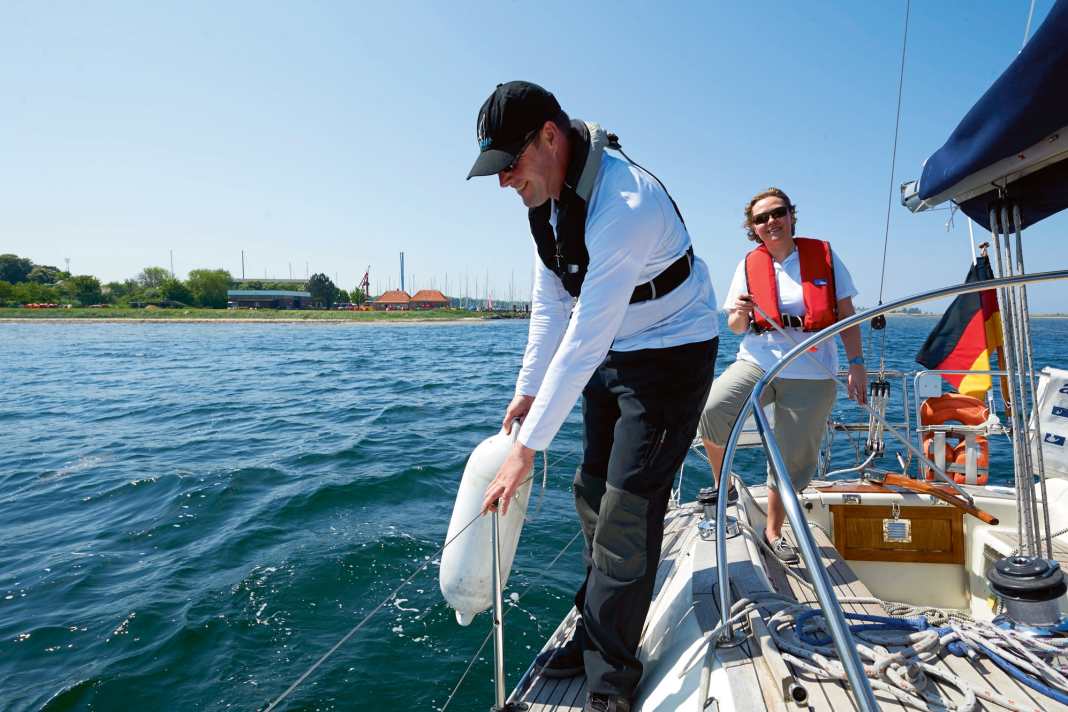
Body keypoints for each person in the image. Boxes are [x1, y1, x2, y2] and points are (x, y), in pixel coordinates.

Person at [467, 81, 719, 712]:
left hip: (671, 353)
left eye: (509, 164)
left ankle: (610, 679)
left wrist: (525, 451)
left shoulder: (625, 203)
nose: (504, 182)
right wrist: (528, 391)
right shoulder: (547, 202)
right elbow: (552, 303)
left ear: (550, 137)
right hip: (615, 350)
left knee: (626, 513)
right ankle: (595, 631)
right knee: (591, 493)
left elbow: (583, 337)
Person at [698, 187, 867, 564]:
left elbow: (846, 313)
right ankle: (724, 485)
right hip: (759, 361)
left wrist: (856, 363)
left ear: (791, 215)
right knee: (712, 410)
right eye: (761, 218)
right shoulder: (748, 265)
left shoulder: (824, 256)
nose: (771, 221)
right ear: (753, 228)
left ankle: (774, 531)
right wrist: (740, 313)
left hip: (812, 371)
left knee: (791, 460)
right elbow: (736, 327)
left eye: (778, 213)